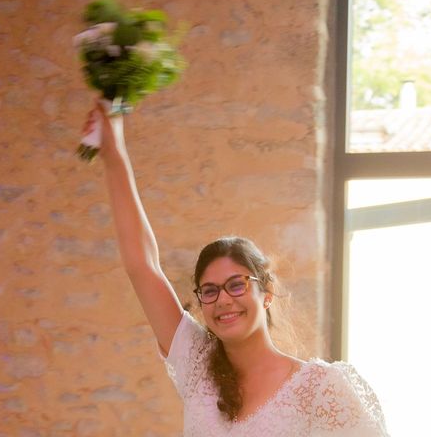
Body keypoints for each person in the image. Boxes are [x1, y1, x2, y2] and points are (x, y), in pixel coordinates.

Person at [87, 100, 389, 436]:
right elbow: (142, 265)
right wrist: (114, 156)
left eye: (237, 284)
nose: (224, 300)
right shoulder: (197, 366)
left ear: (267, 293)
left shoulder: (322, 389)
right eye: (210, 291)